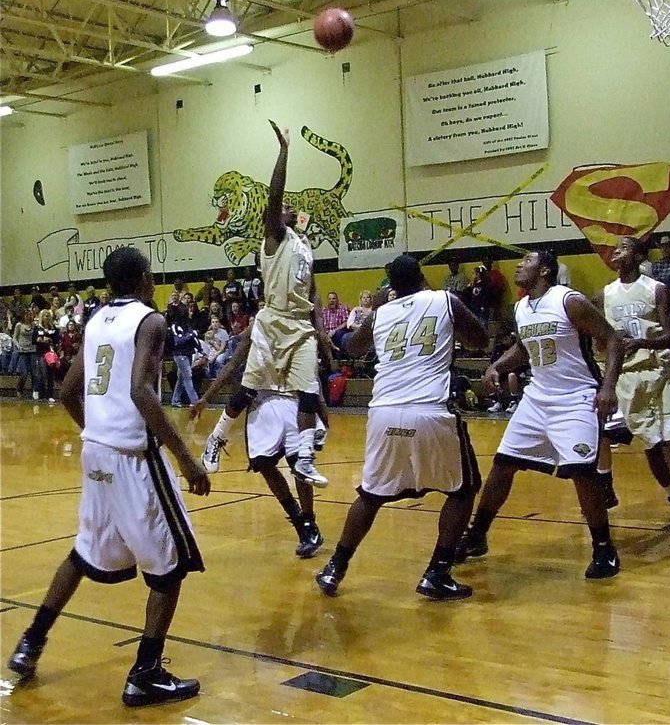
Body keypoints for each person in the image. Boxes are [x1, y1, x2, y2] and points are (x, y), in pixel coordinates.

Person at [6, 246, 210, 707]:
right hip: (135, 457)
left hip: (96, 452)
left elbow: (66, 391)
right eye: (151, 273)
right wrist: (184, 457)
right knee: (170, 564)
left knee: (84, 552)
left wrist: (96, 433)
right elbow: (141, 389)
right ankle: (145, 673)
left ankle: (31, 642)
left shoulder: (96, 320)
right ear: (141, 277)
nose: (154, 279)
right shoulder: (151, 321)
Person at [315, 254, 489, 600]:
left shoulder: (380, 313)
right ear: (422, 275)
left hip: (384, 412)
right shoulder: (445, 300)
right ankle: (437, 573)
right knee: (464, 489)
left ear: (391, 284)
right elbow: (480, 340)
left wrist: (376, 309)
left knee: (371, 493)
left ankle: (335, 567)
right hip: (430, 408)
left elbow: (353, 348)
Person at [455, 249, 626, 579]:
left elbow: (613, 340)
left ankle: (604, 548)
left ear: (545, 270)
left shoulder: (569, 301)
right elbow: (524, 347)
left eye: (526, 262)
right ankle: (477, 536)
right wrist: (497, 366)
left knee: (582, 472)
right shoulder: (521, 307)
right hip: (538, 397)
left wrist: (607, 388)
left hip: (576, 397)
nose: (519, 266)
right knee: (503, 465)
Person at [200, 120, 329, 488]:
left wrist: (319, 324)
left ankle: (305, 459)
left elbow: (313, 289)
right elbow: (274, 196)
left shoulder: (305, 247)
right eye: (282, 206)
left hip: (300, 324)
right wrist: (284, 151)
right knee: (246, 390)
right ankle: (217, 438)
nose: (285, 207)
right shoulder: (275, 237)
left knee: (309, 390)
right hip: (272, 323)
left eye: (290, 206)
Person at [599, 237, 670, 534]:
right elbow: (602, 339)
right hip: (628, 378)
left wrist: (641, 342)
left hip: (659, 372)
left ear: (638, 257)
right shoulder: (606, 294)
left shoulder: (656, 289)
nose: (616, 251)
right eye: (616, 248)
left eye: (624, 248)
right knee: (652, 446)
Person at [192, 327, 326, 559]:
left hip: (294, 399)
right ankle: (297, 520)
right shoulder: (255, 329)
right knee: (264, 463)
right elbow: (232, 366)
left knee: (299, 465)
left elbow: (312, 377)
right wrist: (205, 398)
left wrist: (322, 415)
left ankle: (309, 524)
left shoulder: (300, 328)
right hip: (263, 401)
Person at [33, 308, 60, 403]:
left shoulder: (53, 328)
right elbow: (33, 340)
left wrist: (50, 339)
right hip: (41, 353)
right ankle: (37, 390)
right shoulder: (37, 328)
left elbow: (57, 339)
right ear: (41, 317)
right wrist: (39, 339)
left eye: (48, 315)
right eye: (45, 315)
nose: (47, 317)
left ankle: (50, 395)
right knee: (41, 373)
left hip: (50, 353)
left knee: (50, 374)